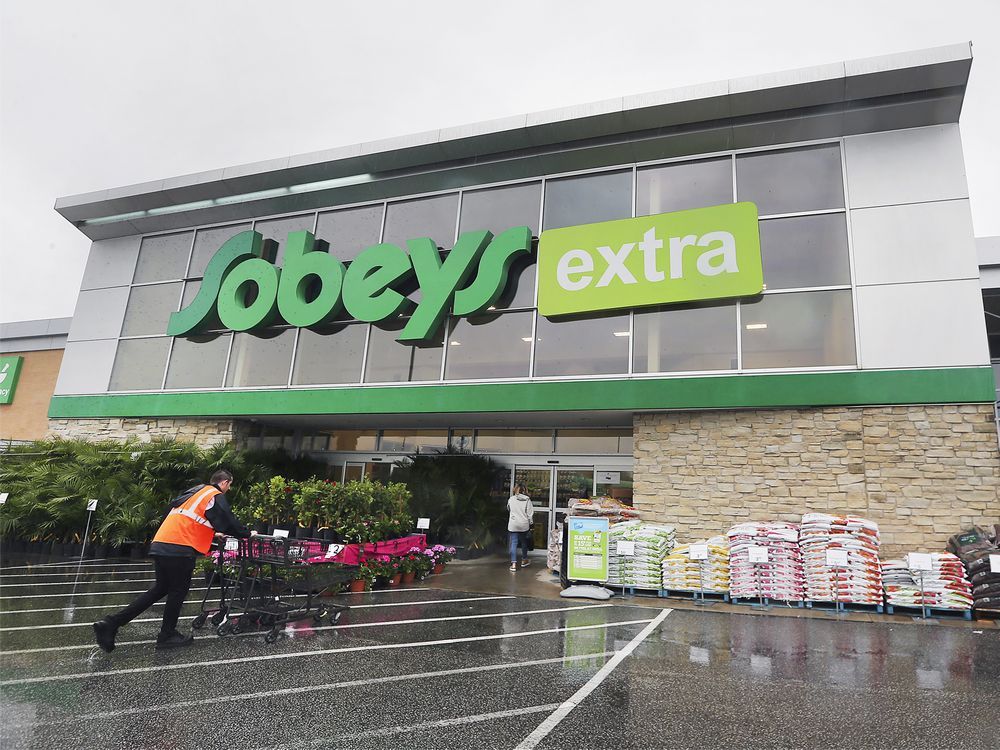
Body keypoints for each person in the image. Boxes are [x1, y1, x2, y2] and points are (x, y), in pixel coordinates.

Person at [92, 469, 250, 652]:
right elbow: (228, 520)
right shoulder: (213, 494)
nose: (228, 490)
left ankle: (111, 623)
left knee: (160, 589)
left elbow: (193, 519)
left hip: (162, 543)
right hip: (180, 548)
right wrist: (247, 533)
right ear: (225, 483)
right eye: (229, 486)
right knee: (178, 591)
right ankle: (167, 635)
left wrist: (216, 533)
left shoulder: (193, 492)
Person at [506, 482, 534, 572]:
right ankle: (524, 560)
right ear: (525, 490)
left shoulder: (511, 499)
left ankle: (513, 564)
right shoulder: (527, 500)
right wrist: (531, 523)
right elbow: (530, 514)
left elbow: (508, 508)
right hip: (523, 525)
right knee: (523, 542)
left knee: (513, 543)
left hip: (513, 524)